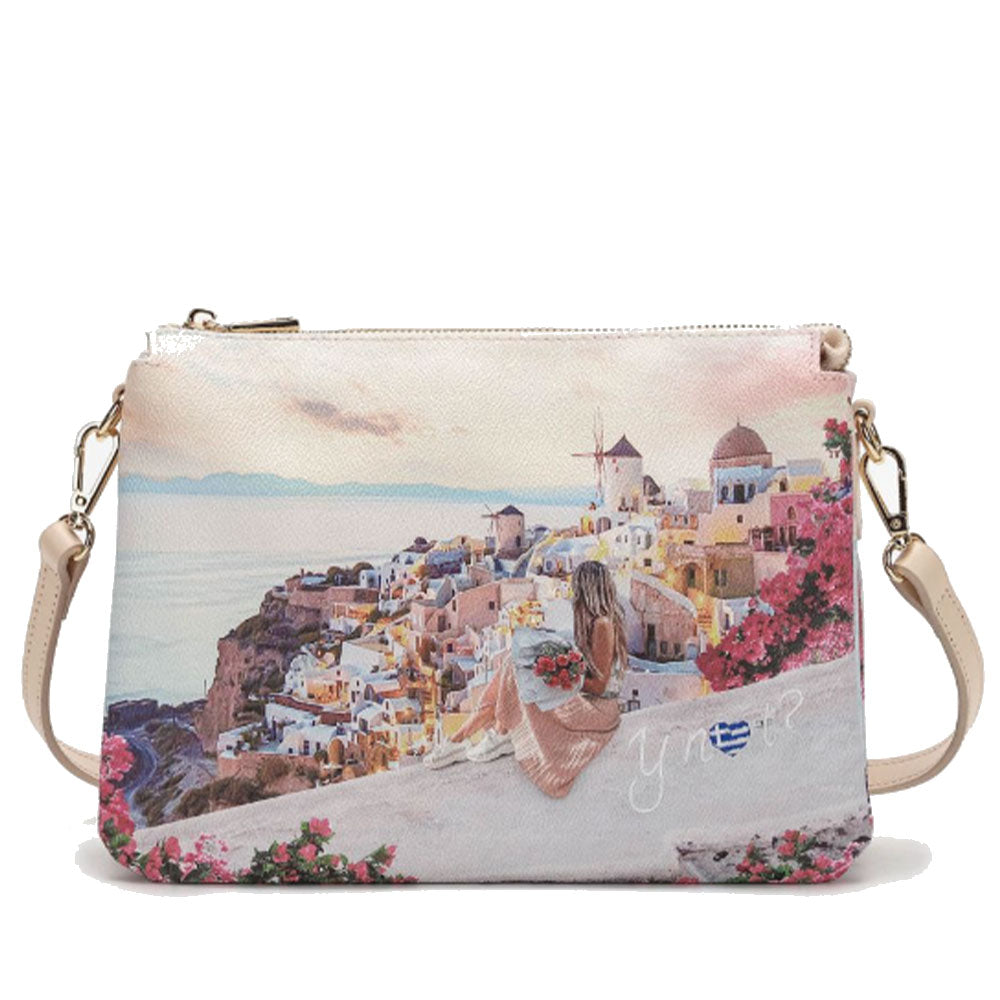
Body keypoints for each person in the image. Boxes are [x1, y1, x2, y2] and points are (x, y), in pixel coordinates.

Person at [424, 560, 628, 798]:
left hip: (597, 710)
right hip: (586, 699)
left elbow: (599, 686)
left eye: (577, 587)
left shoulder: (603, 625)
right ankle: (466, 737)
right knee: (514, 663)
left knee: (520, 670)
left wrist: (557, 676)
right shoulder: (594, 622)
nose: (574, 594)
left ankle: (489, 735)